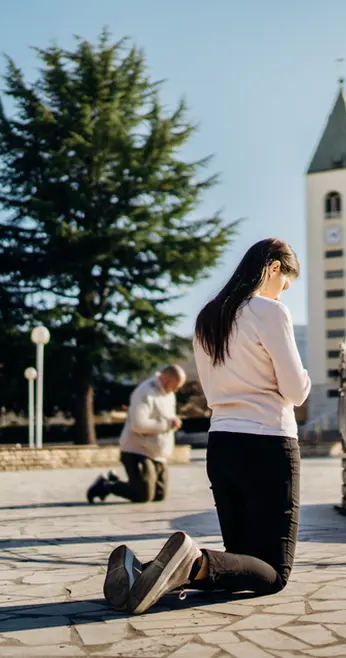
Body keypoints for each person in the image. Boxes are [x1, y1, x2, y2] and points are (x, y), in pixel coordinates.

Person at [102, 238, 310, 614]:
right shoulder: (271, 312)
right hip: (268, 443)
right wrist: (306, 378)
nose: (283, 294)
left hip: (222, 445)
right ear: (274, 267)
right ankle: (191, 562)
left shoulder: (207, 317)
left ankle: (148, 571)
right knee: (275, 574)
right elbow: (295, 392)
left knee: (242, 561)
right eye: (286, 284)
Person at [87, 365, 186, 505]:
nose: (176, 390)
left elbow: (166, 417)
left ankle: (114, 480)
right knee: (144, 495)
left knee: (159, 495)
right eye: (175, 386)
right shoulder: (144, 392)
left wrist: (173, 422)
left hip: (157, 452)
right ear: (164, 379)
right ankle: (106, 485)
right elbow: (138, 425)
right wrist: (167, 424)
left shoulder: (169, 394)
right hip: (137, 449)